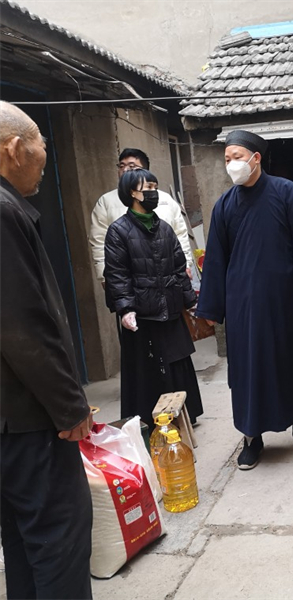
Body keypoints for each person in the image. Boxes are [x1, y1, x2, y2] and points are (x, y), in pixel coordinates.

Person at [196, 130, 293, 470]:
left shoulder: (286, 192)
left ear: (256, 158)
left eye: (237, 157)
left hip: (285, 300)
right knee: (247, 371)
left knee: (292, 362)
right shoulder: (224, 205)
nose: (232, 165)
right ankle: (251, 437)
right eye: (227, 159)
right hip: (243, 306)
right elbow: (216, 259)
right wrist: (213, 308)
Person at [0, 101, 93, 599]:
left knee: (23, 541)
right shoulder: (3, 209)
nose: (43, 154)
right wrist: (69, 406)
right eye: (40, 144)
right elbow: (21, 327)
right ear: (15, 149)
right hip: (27, 419)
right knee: (60, 539)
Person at [104, 168, 203, 431]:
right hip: (142, 314)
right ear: (131, 193)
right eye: (147, 187)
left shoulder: (165, 228)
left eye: (154, 186)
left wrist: (190, 301)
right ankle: (149, 421)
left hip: (169, 309)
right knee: (147, 369)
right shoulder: (119, 231)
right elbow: (116, 274)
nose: (152, 192)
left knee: (177, 363)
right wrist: (125, 308)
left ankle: (185, 415)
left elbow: (179, 268)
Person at [90, 147, 193, 284]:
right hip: (130, 279)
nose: (125, 170)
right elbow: (99, 241)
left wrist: (185, 265)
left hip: (167, 276)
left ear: (145, 170)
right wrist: (105, 276)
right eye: (121, 166)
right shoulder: (106, 202)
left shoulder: (165, 200)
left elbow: (180, 234)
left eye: (132, 166)